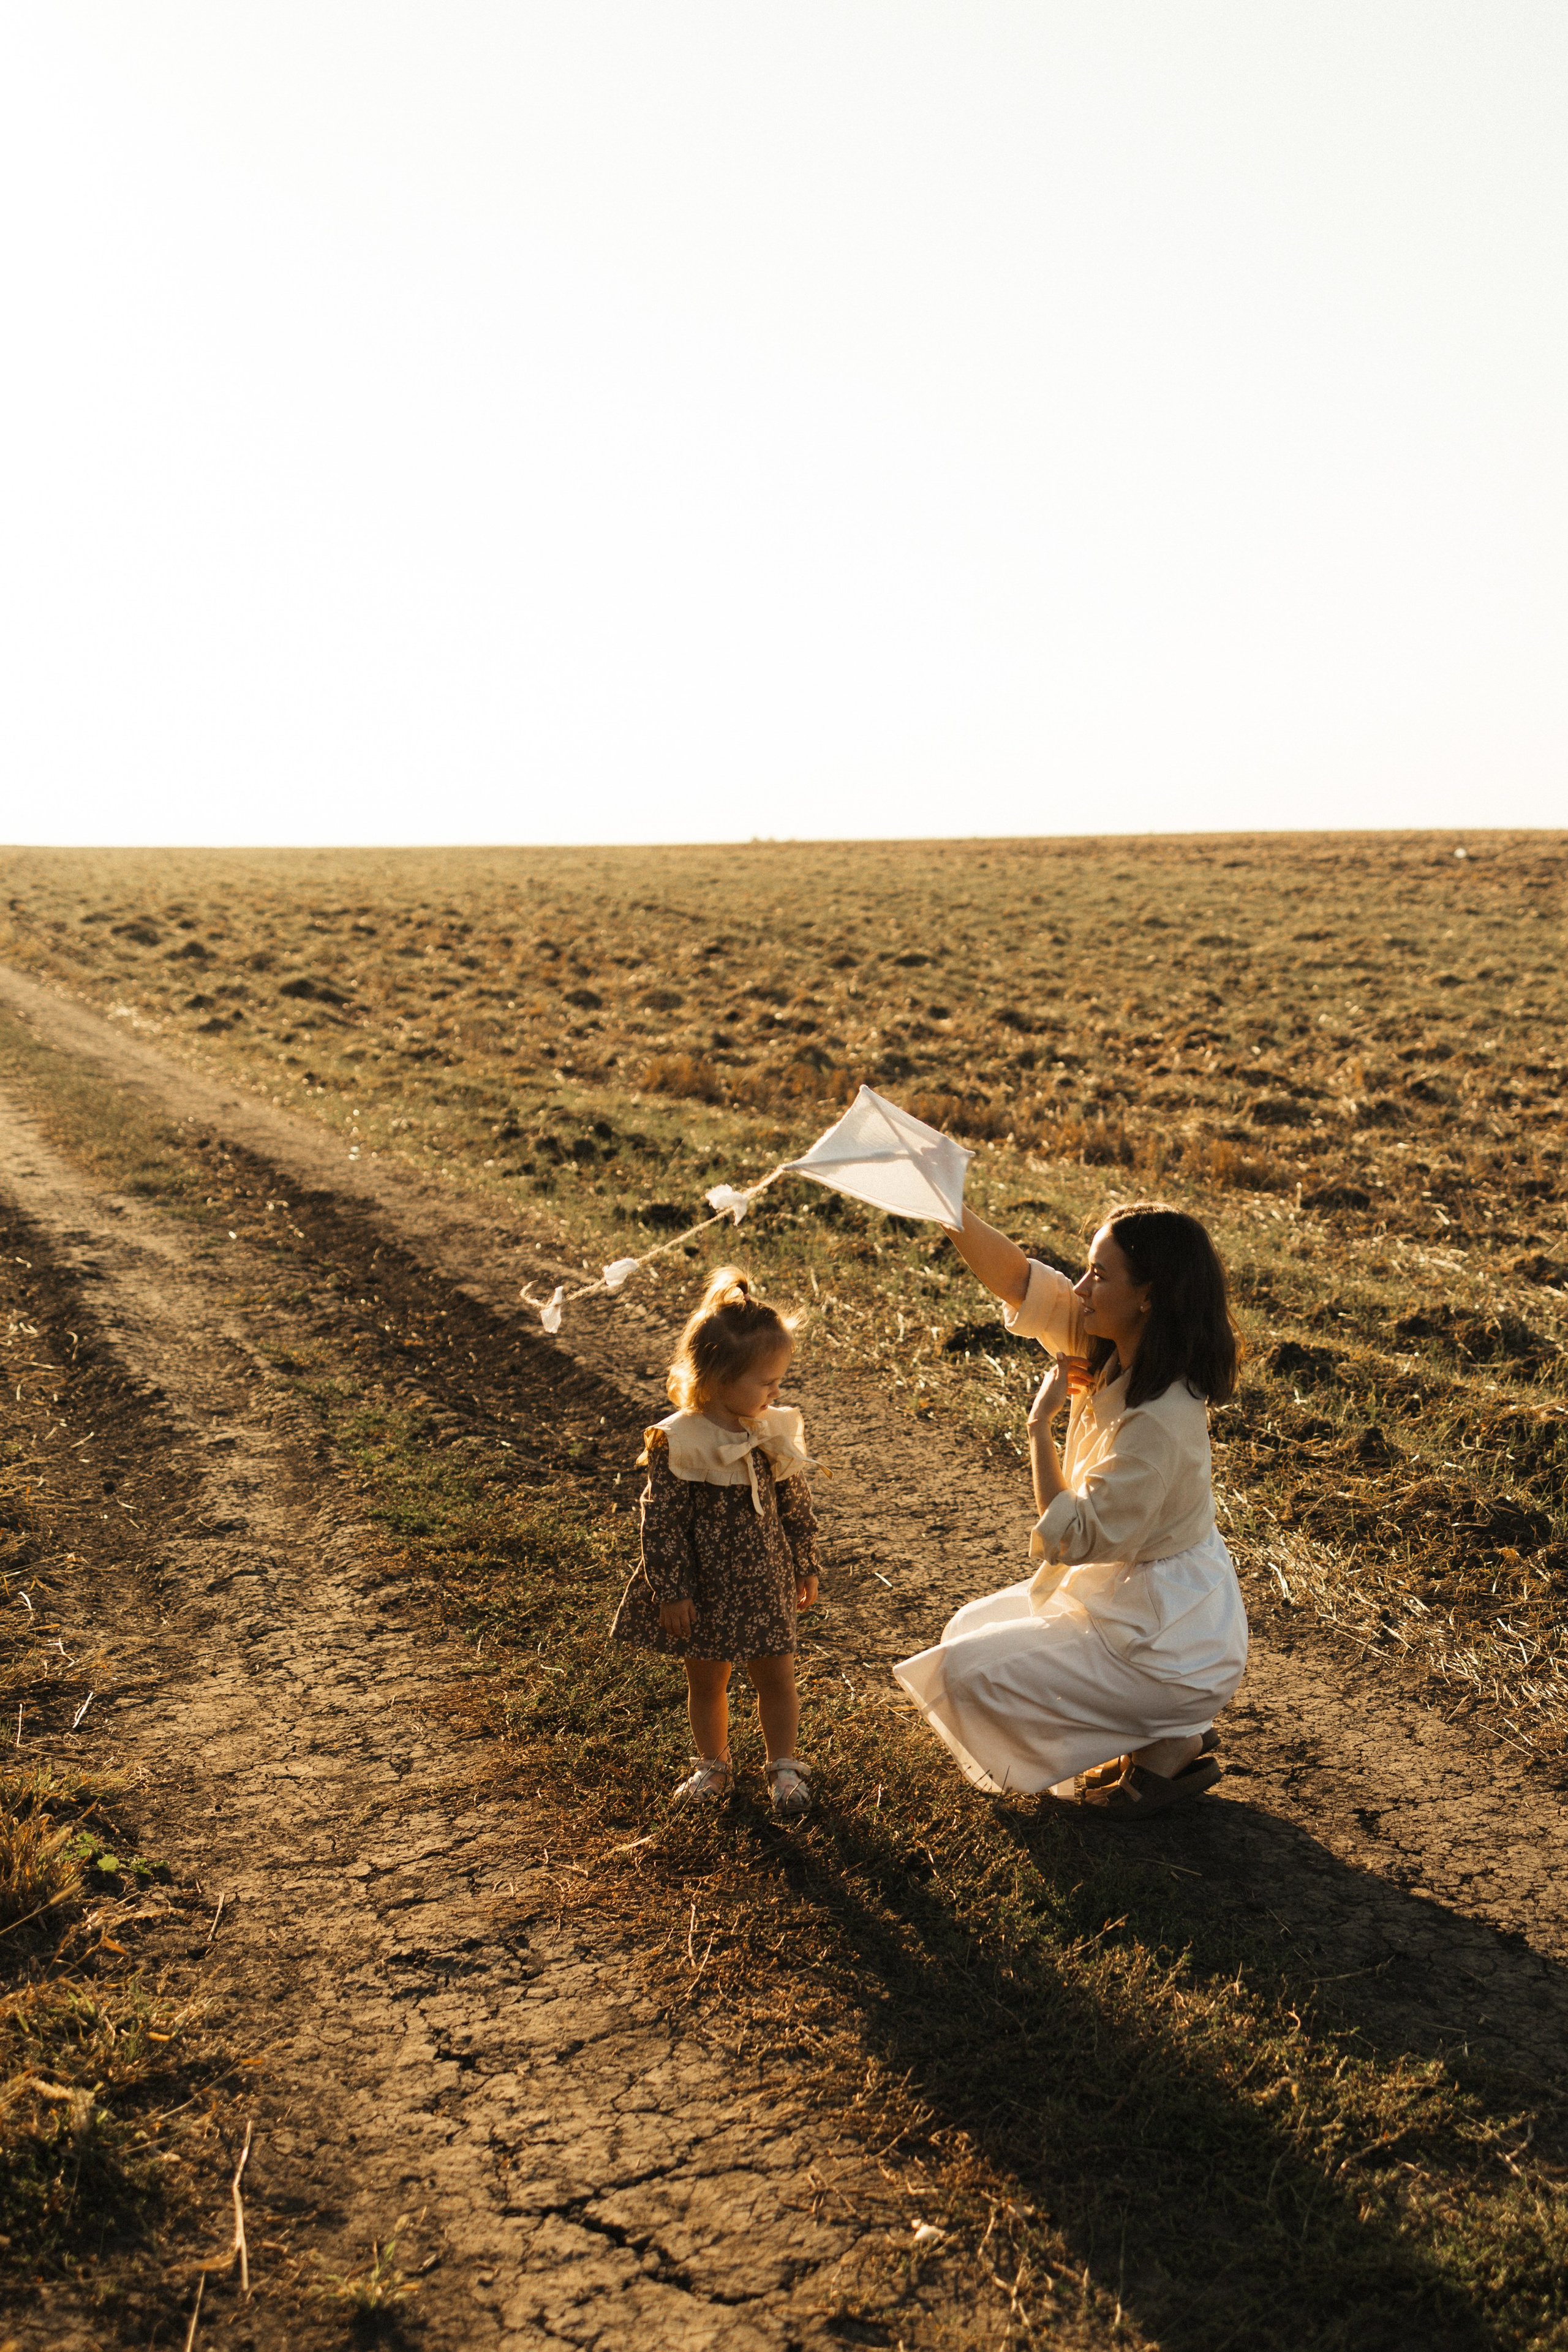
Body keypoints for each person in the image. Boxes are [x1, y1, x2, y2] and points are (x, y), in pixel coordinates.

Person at [894, 1202, 1247, 1815]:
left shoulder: (1161, 1421)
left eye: (1098, 1276)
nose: (1080, 1288)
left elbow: (1071, 1538)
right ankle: (1160, 1734)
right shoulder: (1111, 1342)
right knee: (964, 1634)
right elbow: (1018, 1281)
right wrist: (948, 1208)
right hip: (1120, 1602)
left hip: (1170, 1647)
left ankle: (1166, 1728)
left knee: (965, 1674)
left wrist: (1039, 1428)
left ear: (1148, 1296)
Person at [611, 1266, 821, 1817]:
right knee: (708, 1681)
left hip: (766, 1581)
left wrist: (805, 1562)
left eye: (779, 1380)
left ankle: (783, 1767)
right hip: (705, 1588)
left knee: (777, 1677)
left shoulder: (771, 1429)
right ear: (717, 1378)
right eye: (766, 1382)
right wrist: (673, 1591)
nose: (777, 1392)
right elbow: (661, 1522)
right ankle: (714, 1765)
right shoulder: (680, 1441)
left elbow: (795, 1504)